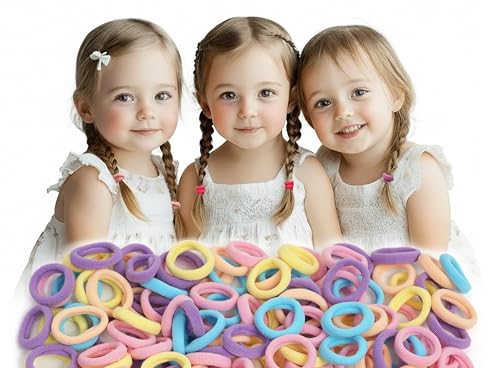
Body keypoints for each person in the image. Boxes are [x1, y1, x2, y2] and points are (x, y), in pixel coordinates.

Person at [298, 25, 473, 262]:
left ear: (395, 95)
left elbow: (430, 263)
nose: (342, 112)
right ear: (309, 118)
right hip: (352, 279)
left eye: (358, 92)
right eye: (323, 103)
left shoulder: (417, 170)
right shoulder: (324, 166)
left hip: (419, 279)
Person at [23, 18, 182, 276]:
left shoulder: (165, 173)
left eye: (161, 95)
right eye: (124, 97)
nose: (147, 111)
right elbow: (88, 275)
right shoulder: (94, 182)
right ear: (86, 108)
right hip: (92, 298)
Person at [178, 16, 341, 255]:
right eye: (229, 95)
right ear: (205, 104)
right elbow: (184, 262)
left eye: (265, 92)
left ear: (291, 99)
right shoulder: (195, 179)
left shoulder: (307, 173)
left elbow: (335, 258)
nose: (247, 111)